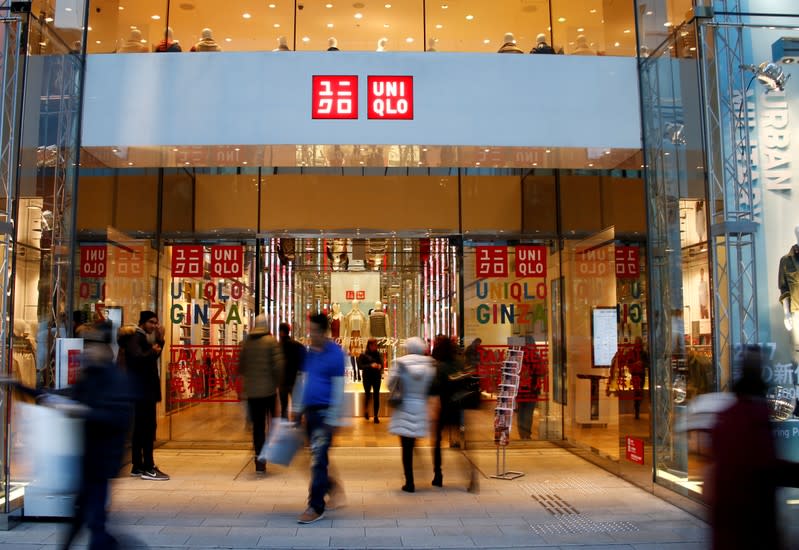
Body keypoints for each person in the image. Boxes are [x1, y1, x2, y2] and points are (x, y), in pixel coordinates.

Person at [707, 345, 799, 550]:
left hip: (728, 521)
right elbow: (766, 467)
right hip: (751, 523)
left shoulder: (726, 415)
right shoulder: (755, 417)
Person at [61, 322, 132, 550]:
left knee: (94, 519)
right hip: (89, 457)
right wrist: (20, 387)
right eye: (86, 346)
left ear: (104, 349)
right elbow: (65, 395)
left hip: (103, 458)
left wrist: (85, 412)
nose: (87, 352)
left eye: (92, 346)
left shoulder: (115, 378)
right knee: (86, 514)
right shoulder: (90, 375)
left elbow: (117, 417)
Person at [291, 313, 346, 524]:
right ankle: (331, 487)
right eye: (309, 329)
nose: (310, 334)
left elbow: (339, 388)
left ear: (323, 331)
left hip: (325, 415)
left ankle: (315, 506)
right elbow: (303, 380)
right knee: (314, 457)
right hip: (310, 413)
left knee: (317, 460)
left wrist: (334, 417)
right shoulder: (309, 353)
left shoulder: (335, 354)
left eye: (314, 330)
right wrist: (297, 408)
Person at [125, 310, 169, 481]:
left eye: (156, 322)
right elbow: (138, 359)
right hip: (143, 391)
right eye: (151, 322)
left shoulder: (142, 338)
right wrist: (154, 349)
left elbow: (150, 357)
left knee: (141, 429)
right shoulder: (137, 337)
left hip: (142, 390)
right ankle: (148, 467)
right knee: (147, 429)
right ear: (143, 322)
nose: (154, 325)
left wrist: (160, 340)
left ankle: (138, 465)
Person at [388, 336, 435, 493]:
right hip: (420, 406)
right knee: (415, 443)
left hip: (404, 406)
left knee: (406, 447)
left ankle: (410, 482)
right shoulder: (430, 365)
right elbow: (430, 387)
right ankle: (421, 471)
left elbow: (390, 384)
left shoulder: (400, 363)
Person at [239, 314, 284, 474]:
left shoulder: (247, 343)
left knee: (258, 426)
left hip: (253, 393)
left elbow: (241, 366)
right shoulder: (271, 342)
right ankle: (272, 450)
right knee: (274, 422)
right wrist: (279, 383)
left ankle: (260, 459)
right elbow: (279, 365)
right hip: (269, 391)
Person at [429, 335, 462, 487]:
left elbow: (434, 389)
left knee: (436, 442)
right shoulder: (459, 364)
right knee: (460, 442)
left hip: (443, 409)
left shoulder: (439, 367)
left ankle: (438, 474)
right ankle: (470, 473)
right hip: (458, 408)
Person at [278, 322, 305, 420]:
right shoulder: (297, 345)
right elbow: (304, 360)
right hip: (295, 379)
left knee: (284, 407)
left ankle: (284, 426)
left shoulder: (278, 346)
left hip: (283, 381)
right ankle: (296, 423)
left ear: (281, 332)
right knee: (297, 405)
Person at [357, 338, 383, 423]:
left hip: (376, 377)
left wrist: (379, 366)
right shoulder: (363, 354)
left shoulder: (378, 354)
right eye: (375, 345)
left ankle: (376, 416)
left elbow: (381, 364)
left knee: (376, 396)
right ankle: (366, 411)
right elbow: (360, 366)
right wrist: (370, 365)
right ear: (370, 345)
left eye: (376, 345)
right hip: (367, 377)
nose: (376, 347)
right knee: (367, 395)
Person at [627, 337, 649, 419]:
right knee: (637, 392)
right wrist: (635, 364)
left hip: (641, 374)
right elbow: (628, 363)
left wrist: (642, 363)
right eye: (636, 342)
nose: (637, 344)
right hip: (635, 374)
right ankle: (637, 410)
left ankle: (638, 407)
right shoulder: (632, 352)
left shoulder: (644, 353)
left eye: (638, 342)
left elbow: (647, 363)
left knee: (640, 392)